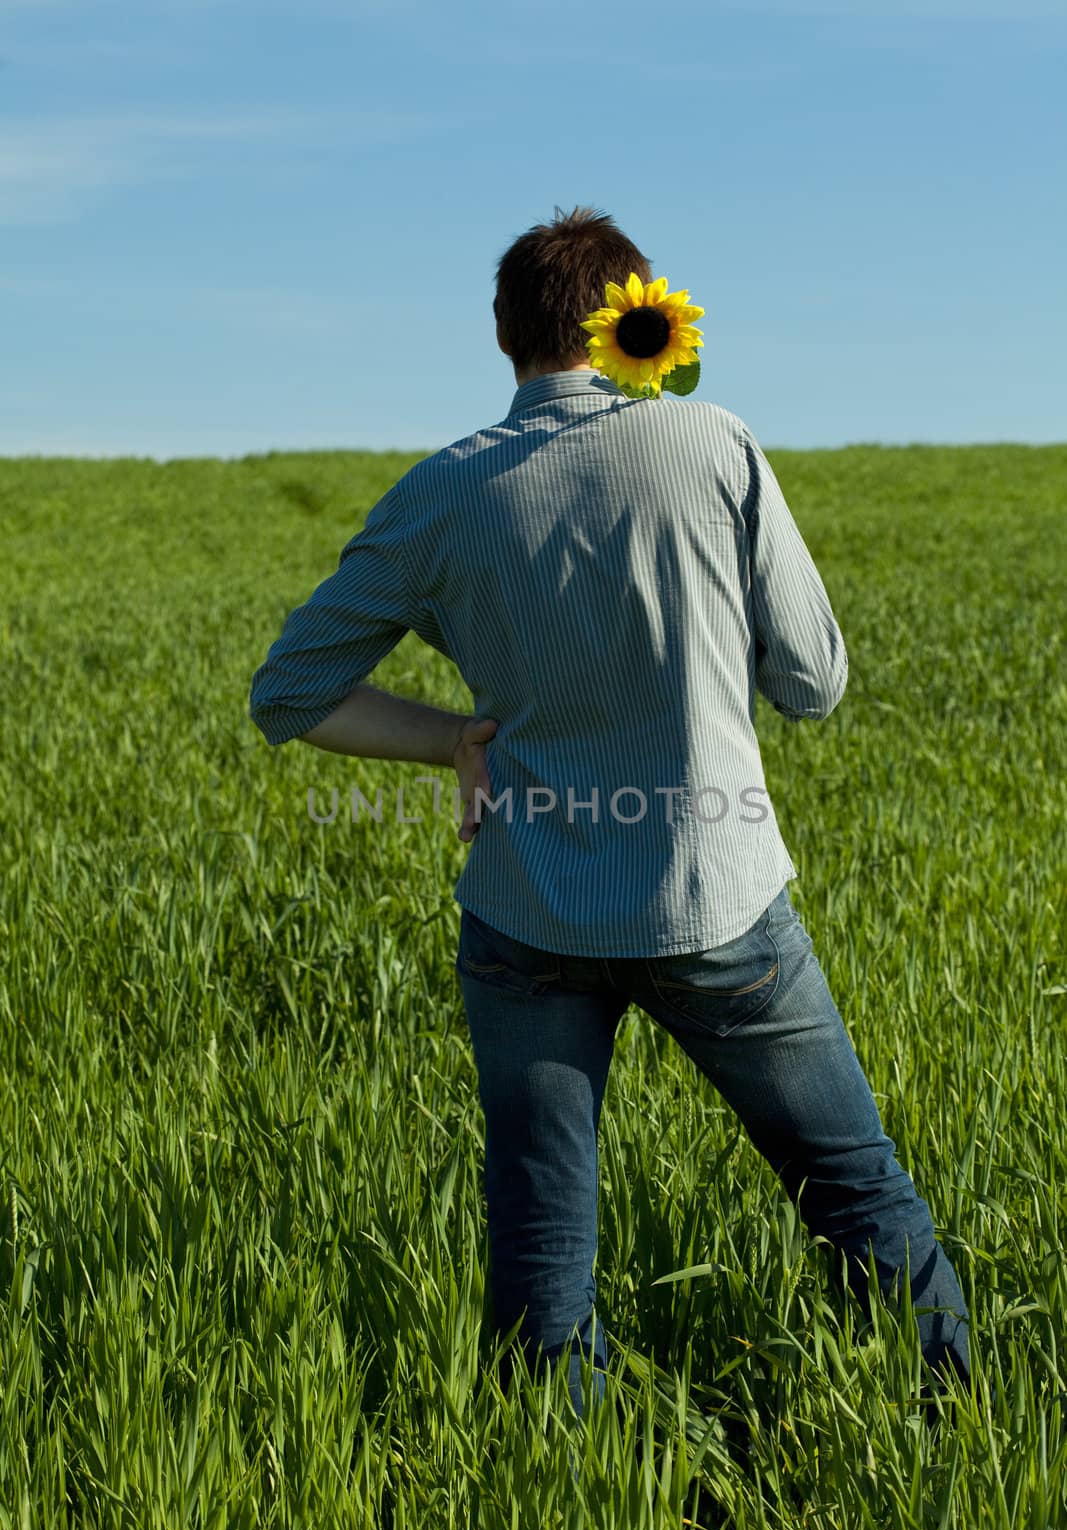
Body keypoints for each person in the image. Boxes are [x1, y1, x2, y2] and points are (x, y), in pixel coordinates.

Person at [248, 203, 972, 1424]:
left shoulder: (441, 493)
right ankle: (967, 1427)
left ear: (503, 337)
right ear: (632, 319)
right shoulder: (712, 442)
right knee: (854, 1193)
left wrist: (451, 740)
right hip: (716, 903)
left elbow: (289, 692)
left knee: (541, 1259)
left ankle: (565, 1495)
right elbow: (813, 683)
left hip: (525, 918)